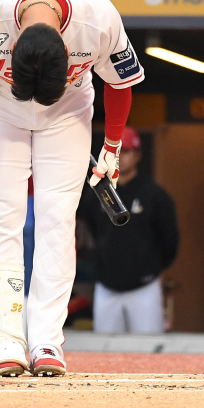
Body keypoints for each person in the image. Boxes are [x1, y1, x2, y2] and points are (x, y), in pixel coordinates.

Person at [0, 0, 144, 377]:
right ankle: (7, 338)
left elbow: (120, 81)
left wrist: (112, 147)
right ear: (11, 46)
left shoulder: (98, 15)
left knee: (57, 217)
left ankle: (47, 340)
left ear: (68, 50)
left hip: (67, 108)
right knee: (3, 215)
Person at [78, 128, 179, 334]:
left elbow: (170, 241)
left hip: (144, 287)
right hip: (106, 286)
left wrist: (151, 269)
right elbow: (86, 235)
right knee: (104, 352)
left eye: (125, 152)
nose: (119, 158)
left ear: (138, 155)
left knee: (149, 354)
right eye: (114, 152)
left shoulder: (154, 195)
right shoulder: (96, 193)